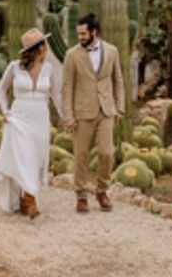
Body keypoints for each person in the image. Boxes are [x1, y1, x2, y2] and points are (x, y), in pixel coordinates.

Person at [0, 28, 63, 219]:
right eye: (44, 44)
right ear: (38, 48)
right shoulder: (15, 67)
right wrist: (5, 111)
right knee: (23, 156)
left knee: (36, 157)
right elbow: (1, 89)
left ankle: (27, 197)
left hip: (40, 115)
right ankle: (29, 198)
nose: (47, 47)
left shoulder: (49, 69)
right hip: (19, 116)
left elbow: (55, 95)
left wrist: (65, 117)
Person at [61, 13, 125, 214]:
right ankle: (81, 196)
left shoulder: (112, 51)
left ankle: (101, 191)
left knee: (107, 153)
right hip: (82, 113)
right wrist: (68, 116)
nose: (79, 37)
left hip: (106, 110)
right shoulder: (72, 55)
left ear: (93, 32)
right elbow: (67, 86)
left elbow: (118, 81)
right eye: (78, 33)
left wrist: (119, 107)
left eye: (83, 33)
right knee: (81, 156)